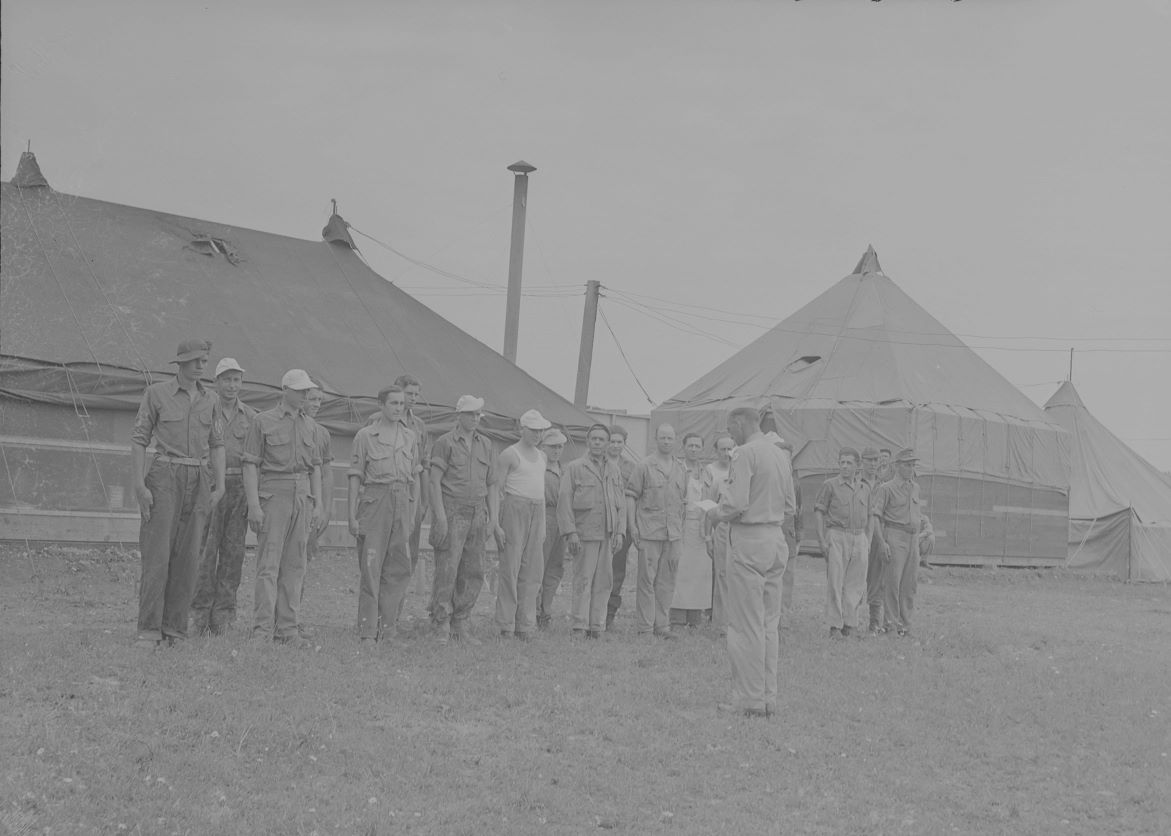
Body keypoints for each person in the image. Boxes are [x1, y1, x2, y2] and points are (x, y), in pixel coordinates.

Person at [131, 339, 226, 649]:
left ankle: (174, 629)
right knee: (157, 555)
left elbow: (217, 444)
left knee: (188, 559)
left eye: (205, 360)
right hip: (164, 475)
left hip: (198, 477)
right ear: (181, 363)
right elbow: (139, 440)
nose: (201, 365)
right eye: (196, 360)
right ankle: (149, 630)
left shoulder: (211, 399)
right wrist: (139, 484)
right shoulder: (156, 394)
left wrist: (220, 484)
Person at [705, 407, 794, 719]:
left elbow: (735, 503)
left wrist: (713, 513)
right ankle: (768, 696)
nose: (732, 436)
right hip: (775, 538)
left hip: (749, 539)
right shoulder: (780, 454)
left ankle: (748, 699)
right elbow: (791, 503)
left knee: (744, 624)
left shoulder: (744, 454)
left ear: (740, 423)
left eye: (731, 429)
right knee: (769, 624)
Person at [242, 369, 321, 647]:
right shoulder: (262, 421)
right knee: (268, 565)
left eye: (306, 391)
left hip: (302, 495)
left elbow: (314, 468)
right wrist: (253, 504)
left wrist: (316, 503)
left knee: (295, 565)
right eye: (299, 391)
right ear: (285, 390)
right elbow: (250, 464)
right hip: (273, 493)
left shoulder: (310, 425)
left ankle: (287, 629)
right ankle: (262, 630)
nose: (304, 396)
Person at [347, 385, 420, 643]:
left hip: (401, 500)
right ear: (381, 405)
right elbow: (355, 476)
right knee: (371, 566)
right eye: (394, 403)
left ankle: (388, 629)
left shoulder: (410, 437)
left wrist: (412, 513)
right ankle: (367, 631)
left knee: (398, 568)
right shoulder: (366, 436)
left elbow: (414, 477)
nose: (399, 408)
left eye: (402, 404)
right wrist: (351, 515)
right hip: (375, 500)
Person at [428, 395, 501, 647]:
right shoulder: (444, 443)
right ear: (458, 415)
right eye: (470, 413)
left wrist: (493, 518)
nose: (475, 418)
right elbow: (434, 481)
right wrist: (439, 516)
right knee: (447, 568)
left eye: (478, 414)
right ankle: (440, 622)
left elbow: (492, 483)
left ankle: (461, 622)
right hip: (452, 509)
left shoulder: (486, 444)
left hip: (478, 512)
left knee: (474, 569)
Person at [191, 357, 255, 636]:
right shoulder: (204, 409)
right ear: (216, 382)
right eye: (227, 379)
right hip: (209, 485)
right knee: (204, 552)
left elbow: (255, 459)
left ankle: (224, 615)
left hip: (239, 488)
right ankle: (198, 614)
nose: (232, 385)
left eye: (237, 380)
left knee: (233, 553)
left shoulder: (251, 417)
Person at [557, 424, 626, 638]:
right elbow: (564, 501)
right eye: (594, 439)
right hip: (584, 533)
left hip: (608, 534)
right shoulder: (575, 467)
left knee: (604, 581)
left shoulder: (614, 470)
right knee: (583, 580)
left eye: (601, 439)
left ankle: (597, 626)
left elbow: (621, 503)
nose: (597, 442)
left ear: (607, 443)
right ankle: (580, 625)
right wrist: (571, 532)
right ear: (587, 442)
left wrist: (620, 532)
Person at [494, 409, 552, 640]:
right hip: (514, 509)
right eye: (533, 430)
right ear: (522, 430)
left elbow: (541, 490)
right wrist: (497, 522)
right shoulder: (509, 454)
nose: (537, 434)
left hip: (537, 510)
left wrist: (543, 523)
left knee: (533, 570)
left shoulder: (543, 457)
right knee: (511, 567)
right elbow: (498, 490)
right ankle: (506, 624)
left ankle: (525, 624)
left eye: (541, 431)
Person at [626, 424, 687, 639]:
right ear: (655, 439)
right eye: (663, 438)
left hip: (673, 535)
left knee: (667, 581)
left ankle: (662, 626)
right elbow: (631, 496)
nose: (667, 442)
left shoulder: (681, 468)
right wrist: (633, 527)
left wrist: (681, 531)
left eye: (670, 438)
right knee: (646, 581)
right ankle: (644, 627)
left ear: (675, 440)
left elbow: (684, 503)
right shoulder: (644, 466)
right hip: (649, 533)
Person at [814, 448, 872, 639]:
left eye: (849, 463)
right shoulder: (830, 485)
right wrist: (822, 539)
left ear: (858, 466)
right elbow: (819, 512)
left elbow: (870, 515)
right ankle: (835, 626)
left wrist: (867, 539)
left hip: (859, 537)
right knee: (835, 582)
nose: (845, 466)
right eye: (842, 462)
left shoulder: (864, 488)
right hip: (837, 535)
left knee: (855, 583)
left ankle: (850, 624)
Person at [870, 448, 923, 638]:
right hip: (894, 536)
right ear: (897, 466)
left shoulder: (915, 488)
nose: (911, 469)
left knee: (910, 585)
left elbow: (917, 515)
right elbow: (875, 516)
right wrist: (882, 542)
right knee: (892, 584)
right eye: (907, 465)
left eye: (913, 465)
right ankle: (890, 625)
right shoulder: (887, 488)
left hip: (912, 539)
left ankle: (905, 625)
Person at [298, 382, 333, 638]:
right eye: (312, 399)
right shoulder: (285, 424)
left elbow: (326, 473)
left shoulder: (322, 433)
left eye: (320, 400)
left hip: (312, 502)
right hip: (291, 497)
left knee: (302, 562)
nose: (316, 405)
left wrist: (325, 506)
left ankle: (293, 614)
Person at [759, 416, 799, 630]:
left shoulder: (794, 482)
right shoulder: (762, 479)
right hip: (767, 532)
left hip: (788, 534)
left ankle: (781, 616)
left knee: (787, 577)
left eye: (787, 458)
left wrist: (797, 536)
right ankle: (766, 617)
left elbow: (796, 510)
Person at [670, 433, 712, 630]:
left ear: (702, 449)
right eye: (690, 445)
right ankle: (677, 617)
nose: (694, 449)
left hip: (701, 527)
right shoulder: (676, 469)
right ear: (683, 447)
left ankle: (695, 617)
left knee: (699, 573)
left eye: (697, 446)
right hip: (681, 525)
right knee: (680, 571)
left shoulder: (707, 473)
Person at [395, 374, 431, 575]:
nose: (413, 398)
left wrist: (424, 501)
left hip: (413, 491)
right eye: (409, 393)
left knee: (411, 549)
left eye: (417, 394)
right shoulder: (376, 420)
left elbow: (424, 464)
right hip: (388, 487)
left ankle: (401, 598)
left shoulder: (419, 425)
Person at [604, 425, 637, 630]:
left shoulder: (631, 468)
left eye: (619, 442)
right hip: (600, 522)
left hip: (622, 524)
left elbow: (634, 496)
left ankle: (609, 614)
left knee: (617, 569)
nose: (615, 445)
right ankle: (593, 612)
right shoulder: (598, 463)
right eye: (612, 441)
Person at [536, 429, 568, 629]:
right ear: (542, 447)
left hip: (562, 518)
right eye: (552, 446)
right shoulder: (538, 466)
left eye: (560, 447)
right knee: (538, 566)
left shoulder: (565, 469)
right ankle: (532, 610)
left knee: (555, 568)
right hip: (543, 515)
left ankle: (545, 611)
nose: (557, 450)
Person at [703, 433, 735, 636]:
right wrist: (708, 536)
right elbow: (709, 509)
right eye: (722, 449)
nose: (726, 453)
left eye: (729, 449)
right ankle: (721, 625)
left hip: (743, 532)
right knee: (722, 575)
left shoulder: (744, 474)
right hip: (723, 530)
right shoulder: (716, 479)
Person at [859, 447, 886, 633]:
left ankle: (874, 623)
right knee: (854, 578)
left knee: (877, 579)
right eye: (869, 460)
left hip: (878, 537)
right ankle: (848, 621)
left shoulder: (884, 485)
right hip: (858, 534)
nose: (873, 464)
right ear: (862, 462)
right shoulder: (855, 482)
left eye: (876, 460)